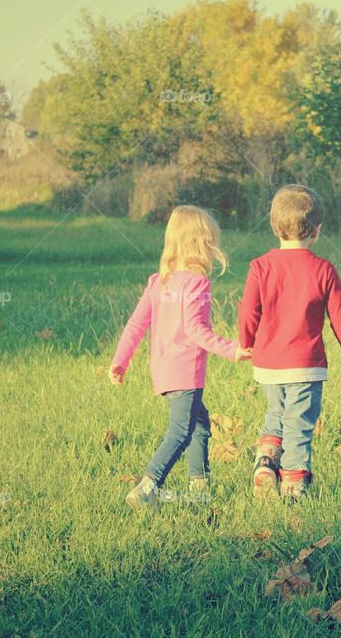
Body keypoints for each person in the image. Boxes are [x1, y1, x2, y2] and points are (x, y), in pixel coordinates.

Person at [109, 205, 251, 511]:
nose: (214, 250)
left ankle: (200, 488)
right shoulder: (196, 283)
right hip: (186, 372)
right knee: (180, 432)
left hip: (163, 371)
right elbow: (195, 330)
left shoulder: (159, 281)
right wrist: (232, 349)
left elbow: (135, 325)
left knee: (200, 426)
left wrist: (120, 361)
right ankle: (148, 486)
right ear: (200, 245)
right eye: (211, 242)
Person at [238, 184, 341, 500]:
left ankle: (265, 461)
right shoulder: (323, 269)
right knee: (299, 424)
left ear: (274, 226)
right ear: (317, 230)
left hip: (268, 364)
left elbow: (249, 310)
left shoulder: (260, 266)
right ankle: (293, 486)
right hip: (306, 366)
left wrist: (245, 342)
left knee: (276, 412)